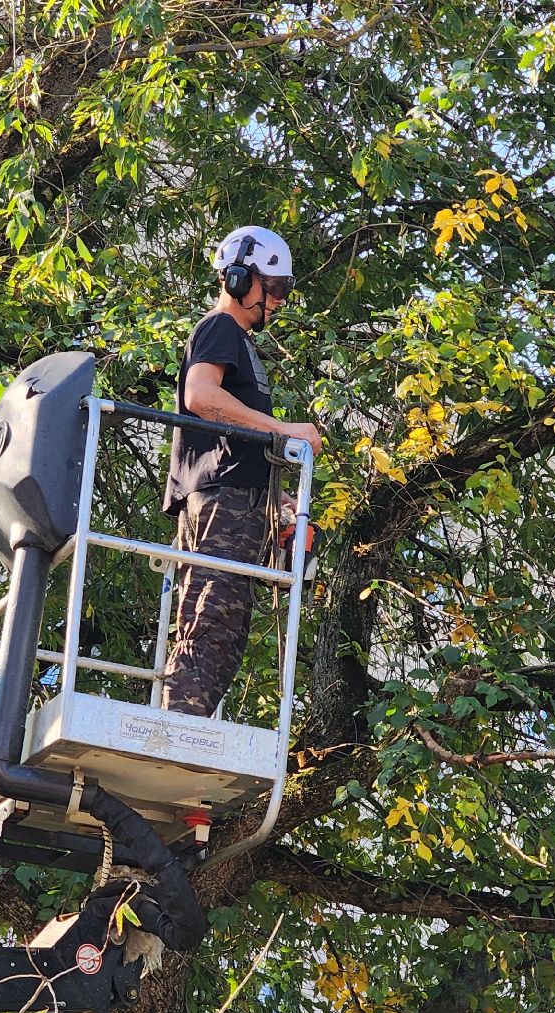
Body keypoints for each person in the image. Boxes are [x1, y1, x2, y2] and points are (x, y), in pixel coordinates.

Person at [159, 225, 322, 718]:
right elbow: (201, 397)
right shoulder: (220, 327)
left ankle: (185, 727)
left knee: (221, 627)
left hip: (238, 499)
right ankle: (179, 734)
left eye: (284, 291)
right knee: (211, 624)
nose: (279, 301)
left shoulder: (242, 341)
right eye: (273, 288)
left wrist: (276, 500)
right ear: (237, 279)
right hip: (220, 501)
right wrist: (282, 431)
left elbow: (234, 438)